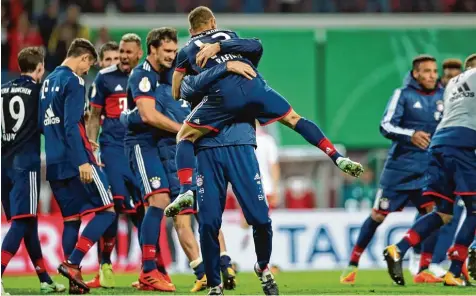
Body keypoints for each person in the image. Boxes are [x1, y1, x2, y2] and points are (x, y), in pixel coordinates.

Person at [167, 5, 363, 218]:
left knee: (184, 136)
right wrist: (221, 48)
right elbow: (255, 45)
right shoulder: (229, 35)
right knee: (294, 118)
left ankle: (186, 189)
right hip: (254, 84)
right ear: (213, 23)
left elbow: (177, 91)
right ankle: (336, 156)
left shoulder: (186, 50)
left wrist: (188, 79)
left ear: (191, 29)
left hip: (223, 96)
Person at [340, 55, 445, 284]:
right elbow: (385, 125)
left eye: (434, 71)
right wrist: (411, 135)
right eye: (426, 71)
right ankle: (352, 264)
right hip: (400, 169)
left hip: (428, 169)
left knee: (435, 214)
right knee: (378, 215)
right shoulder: (403, 94)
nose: (431, 75)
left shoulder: (442, 96)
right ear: (415, 73)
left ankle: (424, 269)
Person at [179, 58, 279, 295]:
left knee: (261, 220)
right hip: (208, 152)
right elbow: (179, 90)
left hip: (241, 149)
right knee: (208, 224)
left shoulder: (247, 79)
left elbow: (254, 46)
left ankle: (263, 267)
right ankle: (215, 284)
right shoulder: (197, 81)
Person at [383, 53, 476, 287]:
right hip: (463, 143)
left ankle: (399, 248)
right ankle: (455, 268)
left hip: (439, 144)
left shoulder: (452, 84)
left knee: (443, 212)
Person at [39, 38, 116, 294]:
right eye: (88, 66)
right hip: (77, 160)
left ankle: (75, 283)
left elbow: (44, 124)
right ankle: (73, 264)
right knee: (107, 211)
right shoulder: (74, 80)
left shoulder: (47, 81)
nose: (87, 71)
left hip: (54, 161)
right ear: (83, 58)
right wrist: (83, 159)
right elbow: (71, 125)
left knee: (71, 220)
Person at [124, 27, 185, 292]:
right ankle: (149, 270)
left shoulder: (167, 74)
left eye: (174, 50)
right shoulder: (142, 75)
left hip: (159, 145)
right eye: (168, 51)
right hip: (140, 144)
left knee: (160, 202)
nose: (173, 55)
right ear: (153, 50)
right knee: (157, 200)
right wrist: (182, 129)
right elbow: (148, 116)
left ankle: (152, 270)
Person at [1, 47, 65, 294]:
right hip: (25, 163)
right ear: (39, 68)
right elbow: (44, 126)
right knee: (21, 223)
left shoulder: (3, 90)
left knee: (28, 222)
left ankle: (44, 280)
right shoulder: (37, 92)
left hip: (3, 162)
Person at [85, 34, 144, 289]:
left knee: (140, 212)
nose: (114, 61)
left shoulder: (140, 78)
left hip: (135, 152)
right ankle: (105, 265)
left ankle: (152, 267)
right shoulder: (101, 83)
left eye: (116, 56)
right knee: (110, 209)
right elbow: (93, 118)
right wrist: (91, 150)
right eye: (108, 58)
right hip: (110, 154)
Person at [409, 57, 465, 278]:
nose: (451, 80)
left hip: (458, 161)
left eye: (455, 76)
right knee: (435, 210)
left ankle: (437, 260)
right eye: (448, 76)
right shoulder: (434, 99)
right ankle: (417, 253)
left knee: (455, 213)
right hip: (436, 161)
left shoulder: (465, 99)